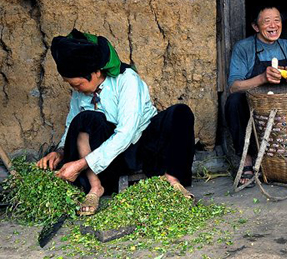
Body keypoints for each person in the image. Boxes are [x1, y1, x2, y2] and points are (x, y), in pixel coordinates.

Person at [37, 29, 195, 215]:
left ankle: (172, 179)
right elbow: (72, 124)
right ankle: (95, 188)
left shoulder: (126, 80)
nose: (76, 89)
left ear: (96, 72)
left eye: (78, 84)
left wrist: (79, 165)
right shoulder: (79, 93)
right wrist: (60, 151)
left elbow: (126, 133)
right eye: (72, 85)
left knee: (181, 112)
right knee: (85, 118)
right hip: (110, 159)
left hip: (144, 146)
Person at [226, 6, 287, 187]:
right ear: (256, 27)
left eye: (277, 20)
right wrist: (263, 78)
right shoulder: (244, 48)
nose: (273, 25)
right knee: (234, 102)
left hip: (281, 108)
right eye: (267, 21)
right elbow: (233, 86)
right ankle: (247, 161)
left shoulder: (286, 46)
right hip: (254, 109)